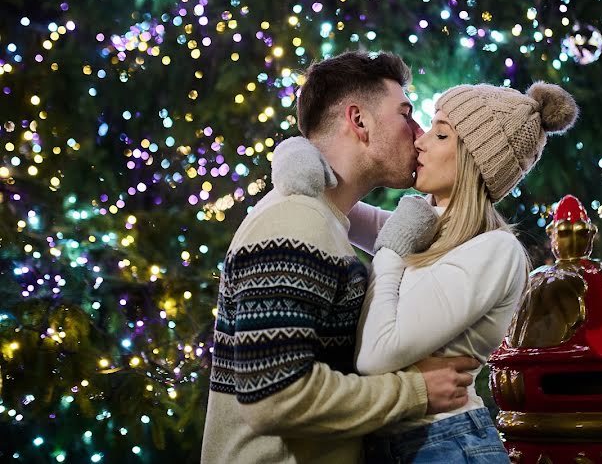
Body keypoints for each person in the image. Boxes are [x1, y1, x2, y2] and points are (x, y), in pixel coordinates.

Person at [273, 81, 579, 462]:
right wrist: (292, 150)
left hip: (447, 444)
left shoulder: (493, 251)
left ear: (473, 159)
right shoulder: (428, 227)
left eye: (440, 133)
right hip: (393, 441)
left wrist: (389, 252)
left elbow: (376, 356)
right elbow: (335, 198)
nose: (420, 140)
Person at [201, 51, 479, 464]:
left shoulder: (324, 218)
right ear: (359, 121)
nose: (419, 134)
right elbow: (274, 397)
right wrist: (416, 392)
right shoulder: (296, 221)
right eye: (405, 114)